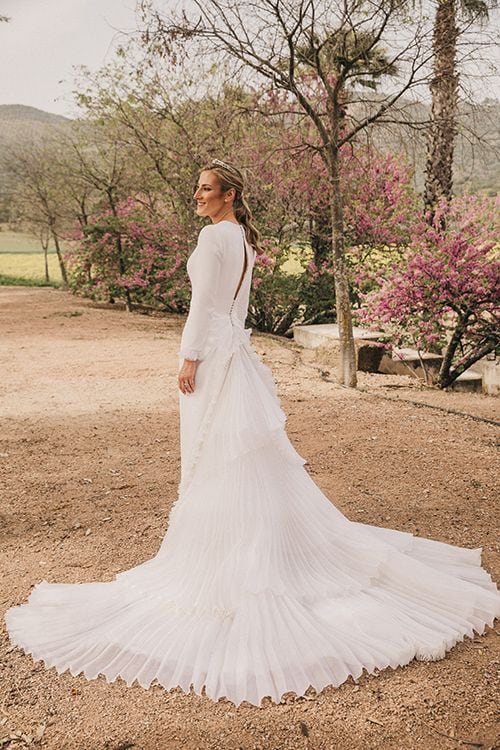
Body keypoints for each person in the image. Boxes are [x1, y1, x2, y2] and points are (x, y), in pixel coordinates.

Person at [4, 159, 500, 709]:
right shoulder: (242, 237)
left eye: (206, 188)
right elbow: (229, 308)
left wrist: (189, 357)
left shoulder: (215, 236)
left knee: (217, 453)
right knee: (237, 455)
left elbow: (201, 306)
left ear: (230, 194)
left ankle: (232, 556)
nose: (197, 195)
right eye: (196, 187)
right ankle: (250, 539)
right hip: (234, 352)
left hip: (214, 358)